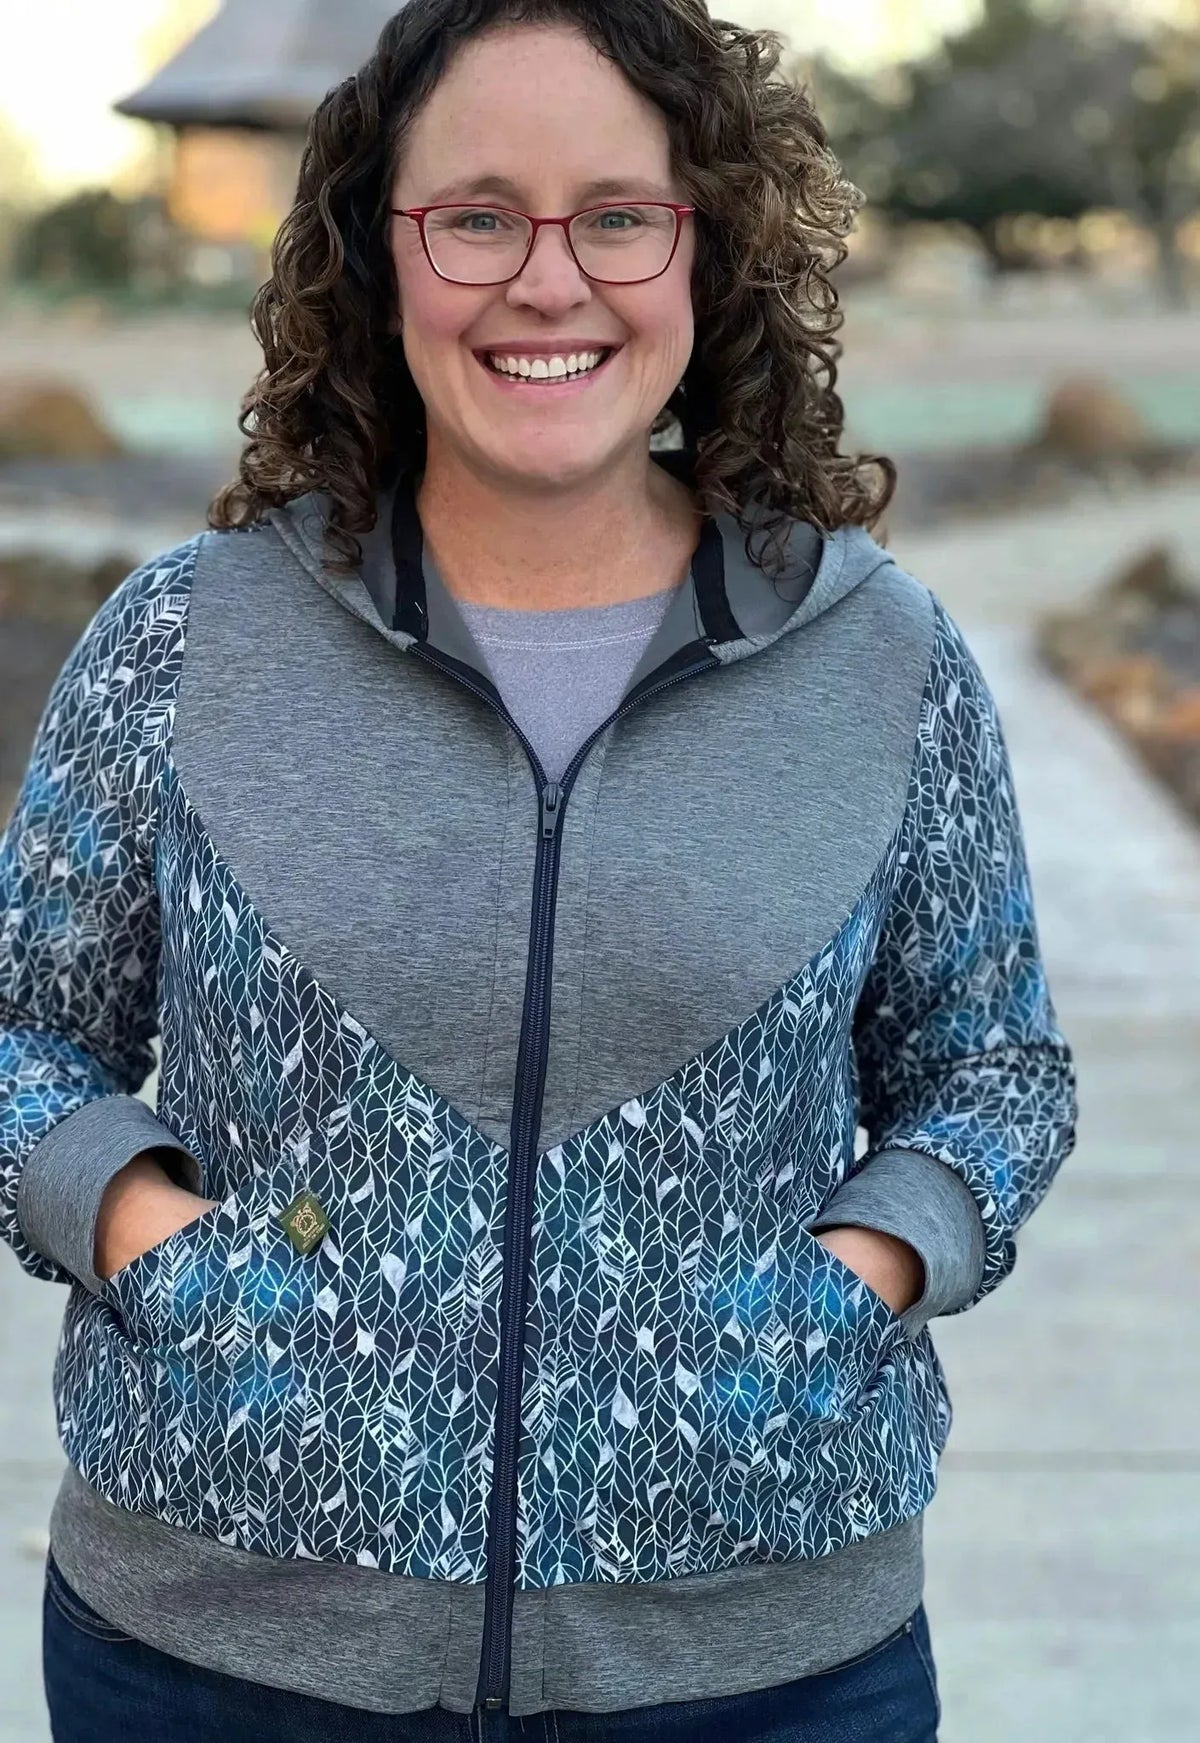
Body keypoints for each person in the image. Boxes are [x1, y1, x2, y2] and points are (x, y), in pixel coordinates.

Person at [0, 2, 1077, 1739]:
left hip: (762, 1662)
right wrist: (161, 1249)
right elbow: (17, 1032)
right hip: (220, 1652)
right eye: (478, 215)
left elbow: (993, 1070)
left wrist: (844, 1290)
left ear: (706, 250)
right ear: (380, 254)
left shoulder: (884, 662)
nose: (549, 280)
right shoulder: (183, 646)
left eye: (620, 214)